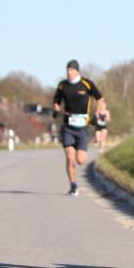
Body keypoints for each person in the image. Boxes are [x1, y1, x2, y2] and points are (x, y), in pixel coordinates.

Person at [52, 60, 106, 197]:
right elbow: (56, 102)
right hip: (68, 126)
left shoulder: (87, 83)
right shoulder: (62, 85)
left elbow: (100, 99)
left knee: (80, 160)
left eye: (71, 70)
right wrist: (56, 110)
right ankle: (73, 185)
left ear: (77, 71)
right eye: (67, 70)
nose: (69, 73)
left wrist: (97, 114)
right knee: (70, 158)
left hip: (82, 127)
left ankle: (78, 157)